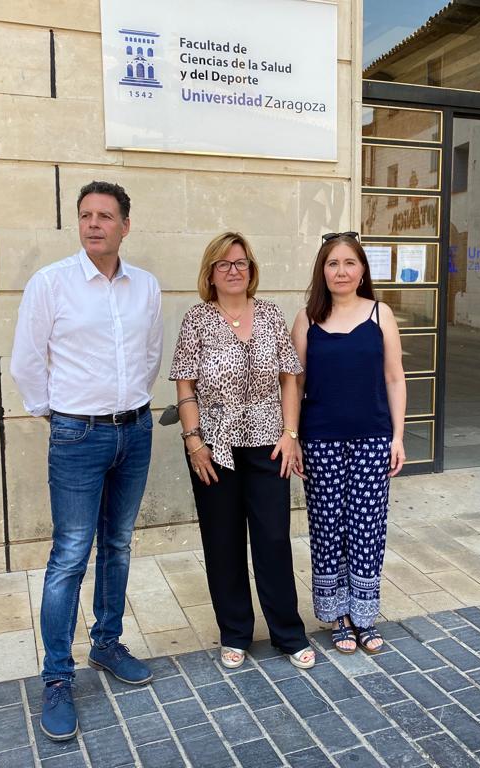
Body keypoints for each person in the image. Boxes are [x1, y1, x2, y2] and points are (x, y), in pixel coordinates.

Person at [10, 181, 163, 741]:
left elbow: (150, 354)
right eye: (85, 216)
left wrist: (126, 409)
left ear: (126, 225)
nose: (94, 223)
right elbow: (28, 361)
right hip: (77, 435)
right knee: (71, 554)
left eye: (106, 216)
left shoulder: (144, 286)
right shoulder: (51, 284)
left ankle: (106, 643)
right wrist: (60, 415)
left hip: (135, 430)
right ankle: (56, 677)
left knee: (118, 543)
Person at [170, 231, 315, 671]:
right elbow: (185, 383)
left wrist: (291, 433)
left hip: (269, 444)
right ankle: (234, 632)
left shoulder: (270, 314)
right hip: (214, 447)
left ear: (251, 270)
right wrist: (193, 440)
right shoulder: (197, 319)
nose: (234, 271)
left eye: (241, 263)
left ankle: (287, 633)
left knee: (273, 539)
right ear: (210, 273)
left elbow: (290, 376)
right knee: (223, 541)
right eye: (224, 264)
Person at [291, 232, 406, 654]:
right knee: (327, 528)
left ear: (362, 270)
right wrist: (294, 439)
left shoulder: (381, 314)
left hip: (373, 438)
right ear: (322, 271)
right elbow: (295, 383)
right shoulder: (306, 319)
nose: (341, 271)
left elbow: (394, 377)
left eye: (349, 263)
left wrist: (397, 436)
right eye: (332, 263)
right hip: (320, 440)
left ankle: (363, 614)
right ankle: (337, 614)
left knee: (367, 528)